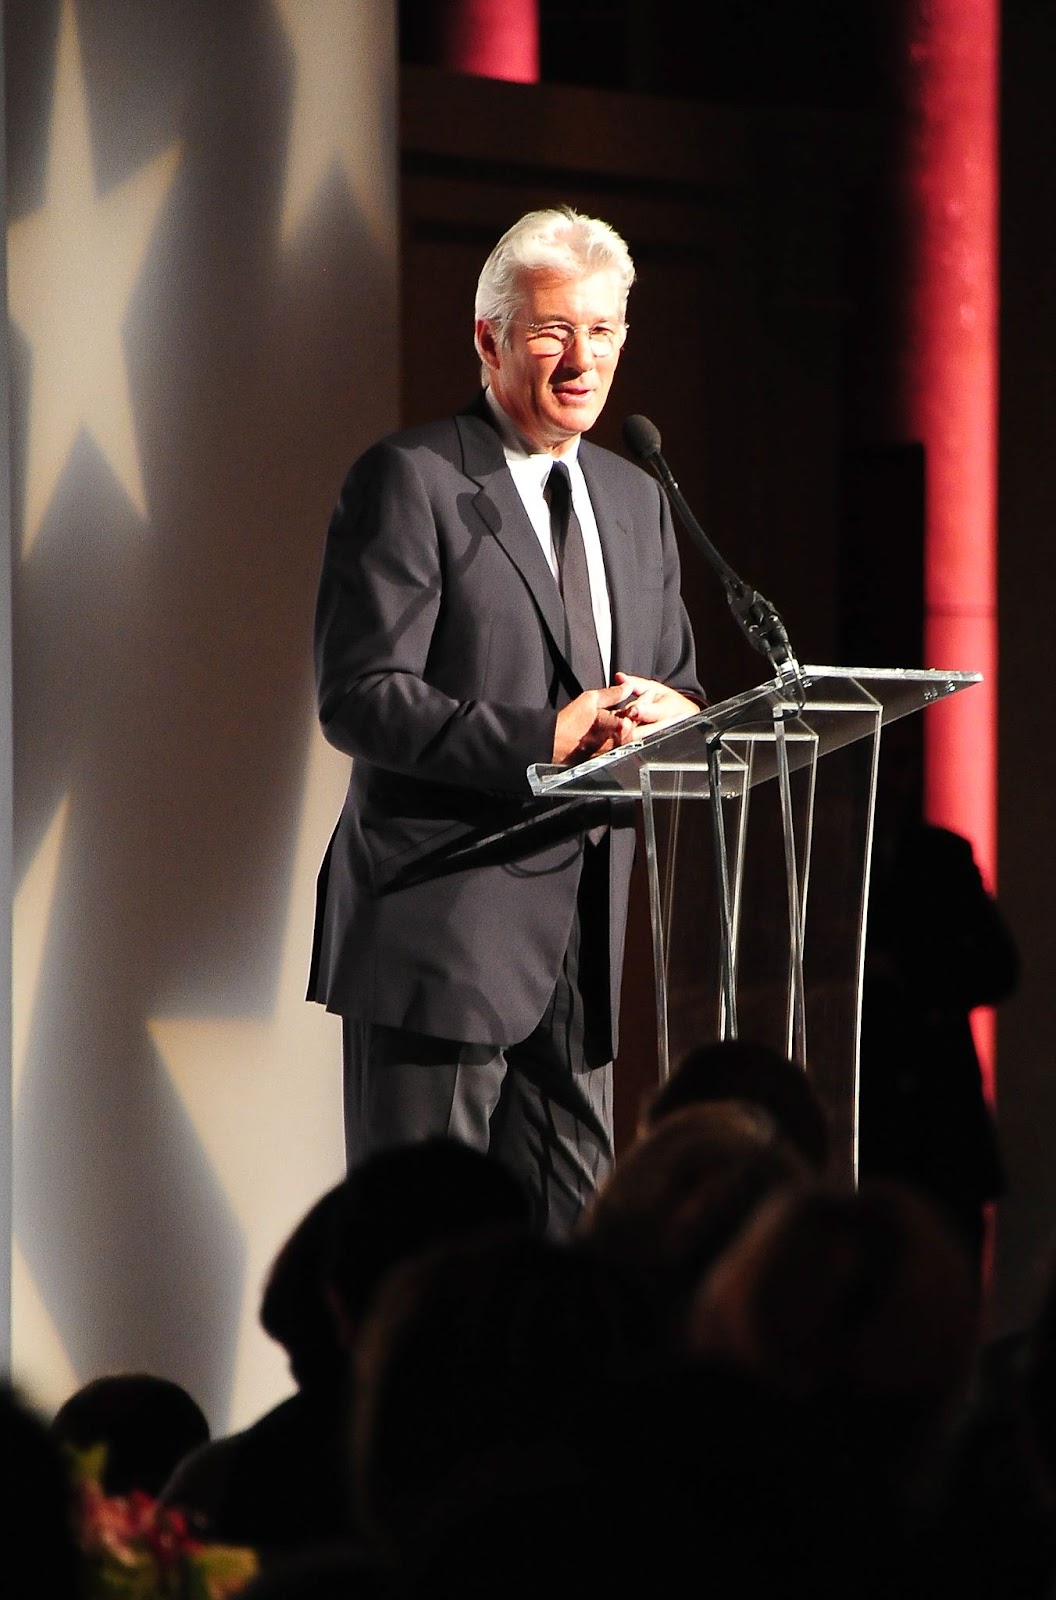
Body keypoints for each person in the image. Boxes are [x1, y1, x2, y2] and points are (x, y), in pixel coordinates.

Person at [307, 206, 704, 1236]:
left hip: (583, 947)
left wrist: (678, 709)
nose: (583, 359)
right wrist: (543, 737)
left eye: (605, 330)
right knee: (421, 1263)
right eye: (552, 331)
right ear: (488, 339)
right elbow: (359, 697)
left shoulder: (635, 496)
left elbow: (679, 683)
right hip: (442, 934)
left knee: (572, 1270)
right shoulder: (414, 481)